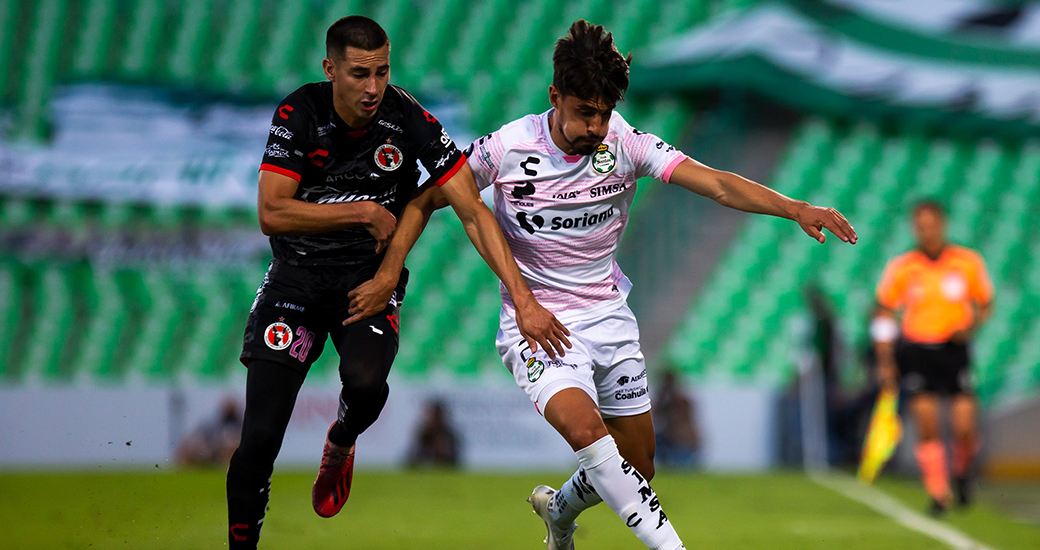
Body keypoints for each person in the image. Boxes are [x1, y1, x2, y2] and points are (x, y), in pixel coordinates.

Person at [356, 20, 857, 550]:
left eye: (604, 112)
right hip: (538, 322)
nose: (596, 125)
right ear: (556, 96)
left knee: (638, 464)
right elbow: (427, 196)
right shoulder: (507, 147)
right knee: (588, 435)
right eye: (584, 112)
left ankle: (558, 512)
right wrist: (389, 270)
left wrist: (796, 207)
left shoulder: (625, 142)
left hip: (609, 317)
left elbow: (715, 183)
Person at [226, 16, 569, 549]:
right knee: (260, 440)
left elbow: (472, 211)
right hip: (295, 284)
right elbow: (271, 213)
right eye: (360, 73)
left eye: (382, 72)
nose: (373, 88)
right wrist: (361, 211)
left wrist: (523, 300)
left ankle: (340, 440)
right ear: (330, 69)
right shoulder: (300, 112)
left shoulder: (406, 116)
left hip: (368, 280)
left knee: (365, 386)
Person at [873, 200, 993, 515]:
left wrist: (972, 327)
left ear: (942, 224)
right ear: (915, 227)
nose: (926, 230)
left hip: (954, 351)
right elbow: (884, 311)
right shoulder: (903, 267)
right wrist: (885, 358)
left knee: (964, 426)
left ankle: (963, 474)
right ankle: (939, 494)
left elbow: (985, 302)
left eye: (931, 223)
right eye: (920, 224)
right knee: (927, 424)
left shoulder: (966, 262)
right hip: (917, 351)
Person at [653, 371, 700, 468]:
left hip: (684, 443)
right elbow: (655, 414)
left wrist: (667, 393)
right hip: (672, 442)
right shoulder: (667, 403)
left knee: (681, 470)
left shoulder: (682, 401)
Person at [407, 399, 461, 467]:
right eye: (433, 416)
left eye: (437, 416)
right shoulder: (424, 433)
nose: (435, 419)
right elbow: (413, 456)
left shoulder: (448, 434)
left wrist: (440, 451)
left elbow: (454, 458)